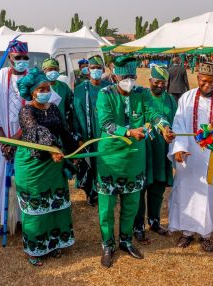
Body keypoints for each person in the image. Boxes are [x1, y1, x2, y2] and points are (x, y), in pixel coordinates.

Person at [96, 56, 174, 268]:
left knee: (131, 205)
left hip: (134, 160)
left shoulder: (141, 93)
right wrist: (128, 131)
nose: (129, 81)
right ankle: (107, 244)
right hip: (110, 159)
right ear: (114, 77)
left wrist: (164, 127)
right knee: (107, 208)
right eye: (124, 77)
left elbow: (154, 114)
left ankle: (126, 241)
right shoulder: (105, 94)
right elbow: (106, 123)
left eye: (132, 76)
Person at [168, 63, 213, 252]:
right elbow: (179, 125)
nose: (207, 85)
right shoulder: (186, 98)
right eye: (203, 81)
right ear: (197, 78)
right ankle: (187, 232)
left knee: (211, 192)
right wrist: (179, 149)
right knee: (187, 192)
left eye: (211, 81)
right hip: (191, 155)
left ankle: (206, 234)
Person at [15, 67, 78, 266]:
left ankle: (54, 242)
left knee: (55, 204)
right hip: (33, 164)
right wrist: (52, 148)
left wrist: (73, 152)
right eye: (41, 88)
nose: (45, 91)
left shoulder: (52, 108)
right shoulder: (26, 110)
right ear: (33, 92)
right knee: (36, 207)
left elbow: (63, 130)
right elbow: (35, 130)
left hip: (54, 162)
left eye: (47, 88)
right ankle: (35, 249)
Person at [0, 40, 29, 234]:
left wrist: (17, 139)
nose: (21, 61)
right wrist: (5, 142)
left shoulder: (34, 78)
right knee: (4, 178)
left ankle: (24, 220)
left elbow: (39, 111)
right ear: (10, 58)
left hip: (27, 137)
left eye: (25, 58)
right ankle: (6, 221)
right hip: (3, 138)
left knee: (25, 179)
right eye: (17, 58)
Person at [133, 65, 177, 244]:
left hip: (162, 151)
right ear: (150, 81)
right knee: (140, 189)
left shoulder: (171, 100)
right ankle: (138, 227)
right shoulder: (141, 96)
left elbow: (175, 122)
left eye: (163, 82)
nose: (160, 85)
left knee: (157, 188)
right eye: (157, 82)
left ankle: (154, 221)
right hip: (143, 151)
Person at [73, 55, 112, 206]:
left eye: (98, 68)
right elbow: (76, 113)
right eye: (92, 68)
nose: (95, 70)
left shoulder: (109, 87)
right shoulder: (80, 89)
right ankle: (90, 193)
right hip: (86, 133)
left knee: (104, 162)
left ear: (102, 70)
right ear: (88, 70)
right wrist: (79, 136)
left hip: (105, 134)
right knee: (89, 163)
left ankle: (104, 190)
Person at [41, 58, 75, 131]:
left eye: (55, 69)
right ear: (44, 71)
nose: (53, 72)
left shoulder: (64, 87)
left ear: (58, 70)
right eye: (50, 69)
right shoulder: (39, 87)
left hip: (61, 126)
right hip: (44, 127)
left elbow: (71, 105)